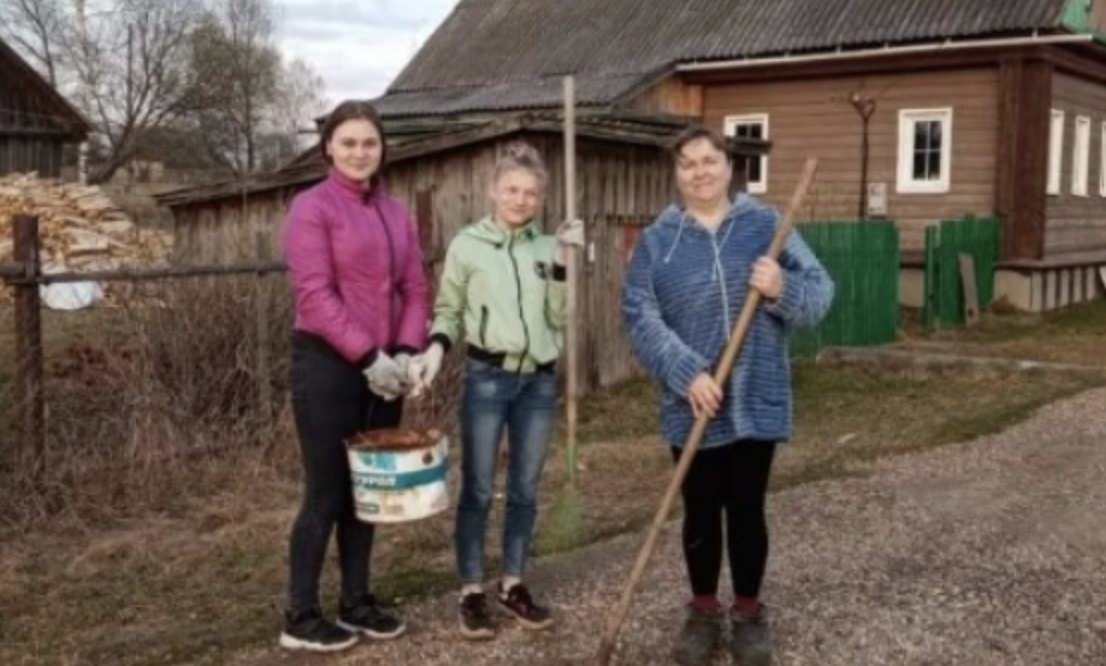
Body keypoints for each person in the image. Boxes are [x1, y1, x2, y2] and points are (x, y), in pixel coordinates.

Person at [620, 125, 834, 666]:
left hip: (755, 394)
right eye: (688, 163)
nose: (699, 171)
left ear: (728, 165)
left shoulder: (765, 226)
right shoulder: (658, 242)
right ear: (677, 174)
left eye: (709, 160)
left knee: (746, 508)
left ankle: (747, 612)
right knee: (699, 510)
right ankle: (702, 611)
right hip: (691, 401)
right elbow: (638, 314)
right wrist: (686, 372)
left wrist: (782, 288)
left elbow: (820, 291)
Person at [405, 141, 584, 641]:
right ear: (493, 190)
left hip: (539, 380)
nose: (520, 199)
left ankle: (512, 584)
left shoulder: (548, 246)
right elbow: (449, 310)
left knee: (525, 489)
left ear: (541, 196)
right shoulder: (467, 245)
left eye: (530, 192)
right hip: (487, 378)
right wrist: (437, 349)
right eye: (511, 189)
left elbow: (559, 318)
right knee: (480, 487)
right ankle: (470, 590)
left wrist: (566, 263)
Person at [278, 100, 430, 653]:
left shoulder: (396, 212)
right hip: (327, 366)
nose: (360, 153)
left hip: (387, 370)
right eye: (348, 143)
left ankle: (358, 601)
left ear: (382, 148)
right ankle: (299, 614)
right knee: (326, 492)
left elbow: (414, 288)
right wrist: (369, 358)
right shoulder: (311, 208)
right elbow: (315, 297)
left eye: (369, 143)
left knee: (370, 490)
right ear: (328, 150)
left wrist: (409, 352)